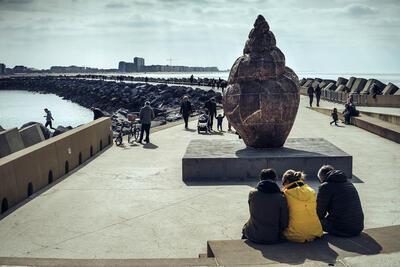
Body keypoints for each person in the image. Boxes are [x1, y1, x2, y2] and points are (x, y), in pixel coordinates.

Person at [242, 169, 289, 244]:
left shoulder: (252, 194)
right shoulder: (281, 197)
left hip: (253, 234)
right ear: (275, 179)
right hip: (272, 236)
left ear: (260, 179)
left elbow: (252, 212)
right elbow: (284, 222)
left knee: (247, 225)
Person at [317, 165, 364, 237]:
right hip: (358, 227)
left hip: (343, 229)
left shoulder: (325, 186)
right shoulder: (348, 182)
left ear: (322, 177)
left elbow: (320, 212)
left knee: (310, 221)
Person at [282, 170, 323, 243]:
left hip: (294, 235)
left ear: (287, 181)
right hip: (315, 232)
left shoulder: (285, 195)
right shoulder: (311, 191)